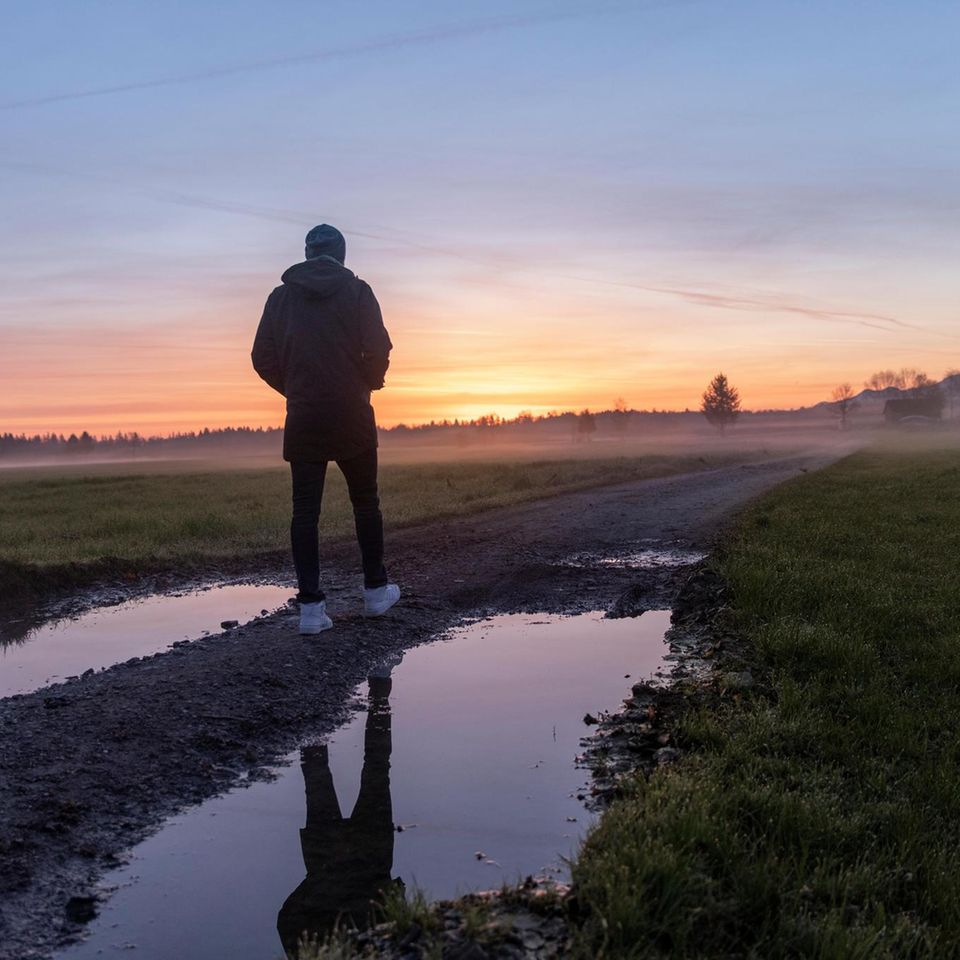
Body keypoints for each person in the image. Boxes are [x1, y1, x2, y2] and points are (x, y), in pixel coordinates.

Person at [252, 224, 400, 635]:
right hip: (352, 411)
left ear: (306, 252)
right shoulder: (358, 292)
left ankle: (311, 612)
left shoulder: (279, 297)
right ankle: (375, 593)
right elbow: (380, 347)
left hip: (304, 415)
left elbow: (261, 356)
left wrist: (296, 389)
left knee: (305, 512)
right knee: (366, 502)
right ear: (342, 254)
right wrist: (366, 383)